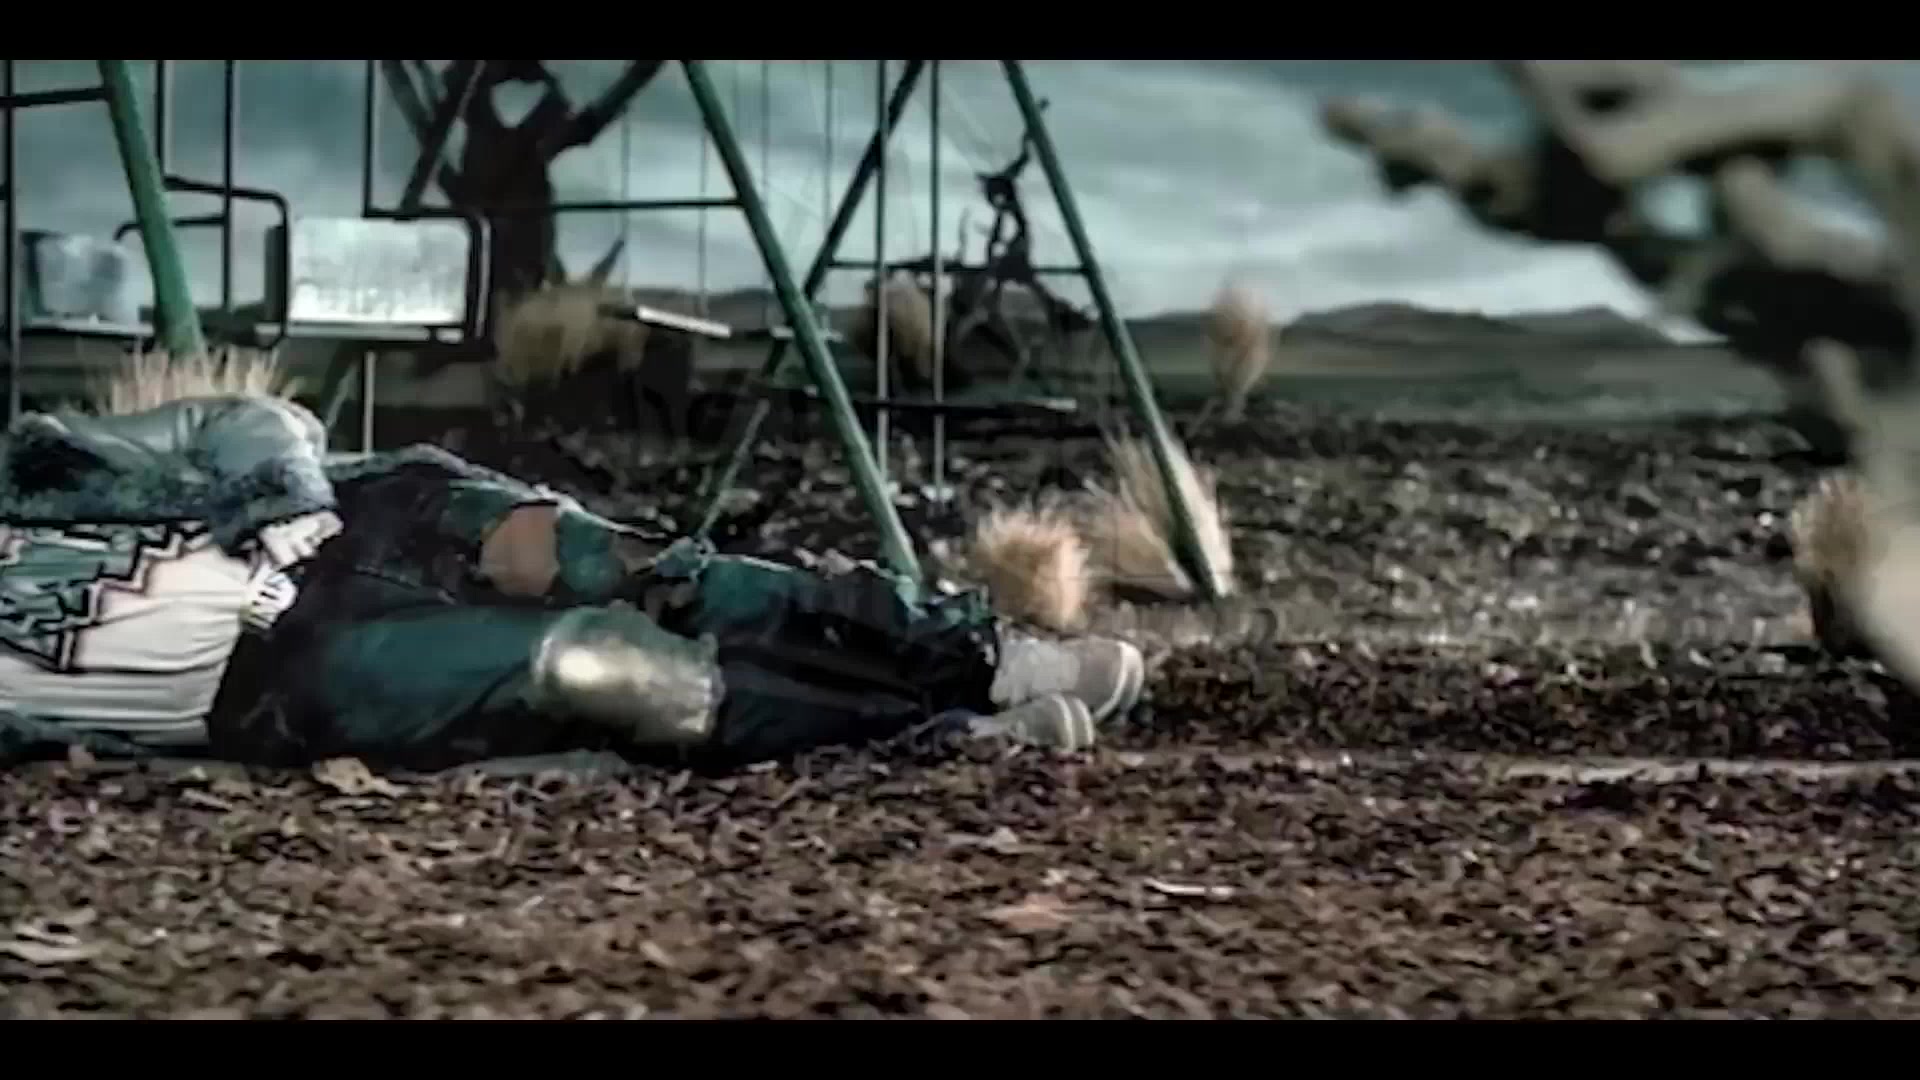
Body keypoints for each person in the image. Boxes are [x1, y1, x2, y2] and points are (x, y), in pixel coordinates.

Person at [1, 390, 1144, 771]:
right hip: (294, 672)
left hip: (371, 514)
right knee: (606, 667)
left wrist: (277, 501)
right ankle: (933, 730)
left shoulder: (33, 463)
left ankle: (976, 651)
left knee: (631, 567)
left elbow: (246, 416)